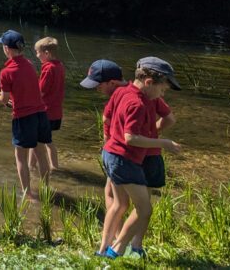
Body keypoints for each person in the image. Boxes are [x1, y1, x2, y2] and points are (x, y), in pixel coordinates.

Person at [101, 57, 182, 260]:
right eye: (162, 90)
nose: (162, 95)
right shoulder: (137, 103)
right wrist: (164, 143)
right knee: (144, 209)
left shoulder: (122, 91)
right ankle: (116, 250)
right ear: (148, 82)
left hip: (112, 154)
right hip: (123, 159)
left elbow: (108, 119)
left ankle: (105, 249)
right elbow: (131, 138)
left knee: (121, 204)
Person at [0, 29, 52, 197]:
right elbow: (24, 90)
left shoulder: (6, 72)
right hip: (41, 114)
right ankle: (45, 189)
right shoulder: (29, 63)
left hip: (24, 118)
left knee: (20, 156)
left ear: (7, 49)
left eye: (3, 46)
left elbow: (2, 100)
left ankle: (27, 194)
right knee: (41, 153)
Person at [78, 58, 127, 256]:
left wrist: (108, 142)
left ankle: (113, 242)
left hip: (118, 153)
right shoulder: (127, 93)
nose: (97, 89)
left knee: (117, 200)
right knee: (111, 194)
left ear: (112, 83)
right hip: (116, 151)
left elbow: (108, 119)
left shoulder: (120, 97)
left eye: (99, 85)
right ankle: (116, 235)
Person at [33, 36, 65, 173]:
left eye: (38, 52)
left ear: (46, 53)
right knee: (48, 141)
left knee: (34, 141)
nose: (36, 55)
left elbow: (40, 92)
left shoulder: (48, 69)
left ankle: (31, 167)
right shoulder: (60, 66)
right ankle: (54, 166)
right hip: (56, 111)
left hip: (45, 111)